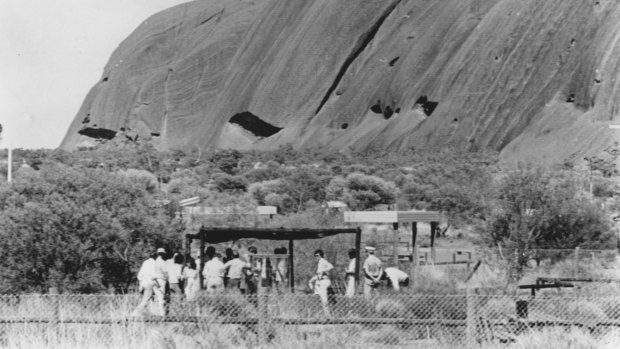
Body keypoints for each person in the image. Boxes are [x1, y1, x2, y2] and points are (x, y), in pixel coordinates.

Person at [308, 249, 333, 316]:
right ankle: (320, 313)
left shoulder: (322, 261)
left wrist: (323, 270)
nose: (316, 257)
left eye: (317, 255)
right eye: (315, 256)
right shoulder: (319, 263)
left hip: (324, 280)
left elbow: (331, 266)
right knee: (311, 282)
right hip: (319, 280)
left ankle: (327, 315)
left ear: (321, 256)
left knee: (324, 299)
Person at [131, 252, 156, 316]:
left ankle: (153, 312)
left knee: (151, 298)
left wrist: (140, 285)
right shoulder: (154, 263)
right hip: (149, 283)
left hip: (143, 283)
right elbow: (154, 275)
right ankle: (135, 313)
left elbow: (140, 275)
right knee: (145, 300)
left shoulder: (145, 262)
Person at [152, 248, 169, 316]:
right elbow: (166, 272)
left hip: (154, 280)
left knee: (156, 296)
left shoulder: (155, 262)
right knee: (161, 297)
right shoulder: (162, 262)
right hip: (161, 280)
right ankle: (162, 313)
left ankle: (155, 312)